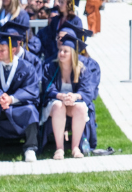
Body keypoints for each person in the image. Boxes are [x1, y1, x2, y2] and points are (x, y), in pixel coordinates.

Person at [0, 24, 41, 163]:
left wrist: (12, 98)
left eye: (1, 50)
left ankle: (30, 148)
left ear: (13, 49)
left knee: (30, 110)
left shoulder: (27, 67)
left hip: (19, 105)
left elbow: (32, 89)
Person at [41, 25, 97, 160]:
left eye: (65, 51)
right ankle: (59, 149)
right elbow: (47, 87)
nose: (61, 54)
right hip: (55, 103)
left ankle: (75, 148)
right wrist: (60, 96)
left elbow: (87, 90)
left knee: (80, 107)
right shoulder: (50, 67)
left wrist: (75, 96)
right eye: (60, 50)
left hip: (73, 103)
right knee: (58, 106)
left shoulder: (82, 69)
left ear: (72, 53)